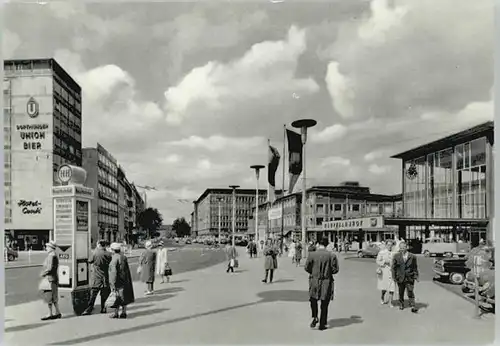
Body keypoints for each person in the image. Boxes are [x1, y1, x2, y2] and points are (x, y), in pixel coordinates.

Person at [305, 237, 339, 331]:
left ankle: (315, 316)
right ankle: (322, 323)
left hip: (314, 281)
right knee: (324, 303)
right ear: (327, 245)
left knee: (313, 299)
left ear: (318, 244)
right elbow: (335, 270)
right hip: (326, 282)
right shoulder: (332, 256)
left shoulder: (312, 255)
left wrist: (313, 272)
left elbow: (306, 267)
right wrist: (327, 272)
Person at [83, 240, 112, 315]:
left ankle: (89, 308)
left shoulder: (95, 253)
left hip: (96, 276)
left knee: (93, 294)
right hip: (105, 277)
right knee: (104, 294)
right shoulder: (108, 254)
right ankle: (103, 308)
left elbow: (90, 261)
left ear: (99, 244)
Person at [108, 243, 135, 319]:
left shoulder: (114, 259)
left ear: (113, 250)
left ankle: (116, 313)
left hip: (118, 281)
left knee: (117, 297)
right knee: (124, 297)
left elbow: (113, 273)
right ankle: (124, 312)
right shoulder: (123, 257)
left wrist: (112, 284)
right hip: (125, 280)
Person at [392, 242, 419, 313]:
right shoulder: (396, 256)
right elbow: (393, 267)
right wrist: (394, 277)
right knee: (401, 292)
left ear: (406, 247)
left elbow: (415, 267)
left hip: (409, 277)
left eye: (403, 247)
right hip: (400, 277)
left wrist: (416, 276)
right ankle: (401, 303)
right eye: (400, 248)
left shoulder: (412, 256)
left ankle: (413, 305)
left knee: (410, 291)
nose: (402, 249)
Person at [40, 241, 62, 320]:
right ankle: (58, 312)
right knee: (54, 296)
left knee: (49, 296)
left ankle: (50, 313)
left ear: (51, 248)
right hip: (54, 278)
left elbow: (49, 268)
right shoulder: (54, 255)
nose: (46, 248)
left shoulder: (51, 256)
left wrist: (43, 273)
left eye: (47, 247)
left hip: (50, 279)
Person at [376, 240, 396, 307]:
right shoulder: (382, 252)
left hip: (392, 272)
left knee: (392, 287)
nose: (389, 246)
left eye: (391, 245)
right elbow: (378, 261)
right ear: (386, 245)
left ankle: (390, 302)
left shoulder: (394, 253)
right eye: (388, 245)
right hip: (384, 271)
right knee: (384, 287)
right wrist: (384, 262)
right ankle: (382, 296)